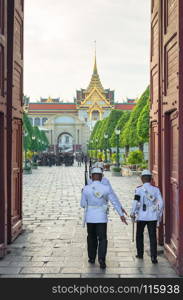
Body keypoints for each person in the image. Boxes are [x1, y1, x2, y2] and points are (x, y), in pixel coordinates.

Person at [81, 167, 127, 269]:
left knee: (91, 237)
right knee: (102, 239)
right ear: (101, 177)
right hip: (101, 217)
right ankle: (102, 259)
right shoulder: (106, 188)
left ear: (92, 177)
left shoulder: (86, 188)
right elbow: (113, 201)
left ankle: (92, 257)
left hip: (90, 217)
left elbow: (83, 204)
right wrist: (121, 214)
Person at [130, 170, 164, 264]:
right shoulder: (156, 189)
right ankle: (154, 257)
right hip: (152, 216)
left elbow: (135, 202)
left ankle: (140, 254)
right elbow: (161, 203)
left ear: (142, 179)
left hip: (141, 216)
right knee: (152, 237)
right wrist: (158, 214)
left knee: (139, 235)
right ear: (151, 179)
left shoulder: (139, 189)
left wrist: (132, 212)